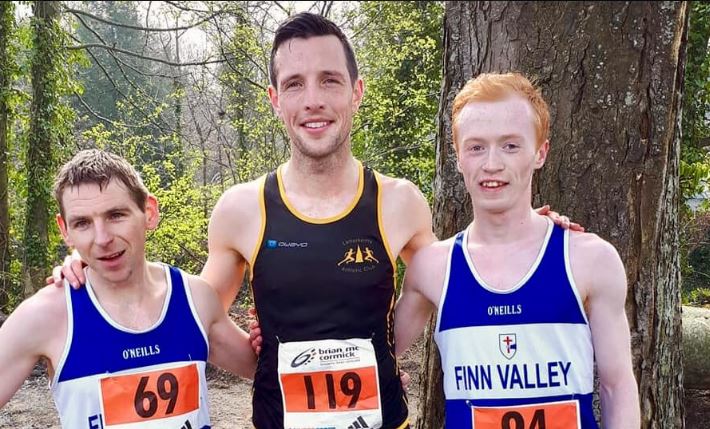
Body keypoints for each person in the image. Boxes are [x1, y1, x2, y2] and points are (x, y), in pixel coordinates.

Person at [54, 14, 578, 429]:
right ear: (274, 100)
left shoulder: (399, 202)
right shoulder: (241, 209)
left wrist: (523, 232)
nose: (313, 101)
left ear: (356, 91)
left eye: (329, 80)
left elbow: (462, 281)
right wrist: (90, 272)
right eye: (294, 84)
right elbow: (188, 319)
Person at [393, 73, 640, 428]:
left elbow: (617, 386)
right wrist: (388, 383)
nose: (492, 163)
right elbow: (375, 357)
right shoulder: (432, 268)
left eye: (510, 145)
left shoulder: (589, 259)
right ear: (458, 157)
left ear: (540, 152)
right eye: (476, 147)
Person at [1, 149, 257, 428]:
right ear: (65, 230)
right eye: (82, 223)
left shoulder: (195, 298)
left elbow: (264, 367)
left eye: (115, 215)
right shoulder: (46, 314)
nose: (102, 239)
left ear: (149, 212)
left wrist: (273, 320)